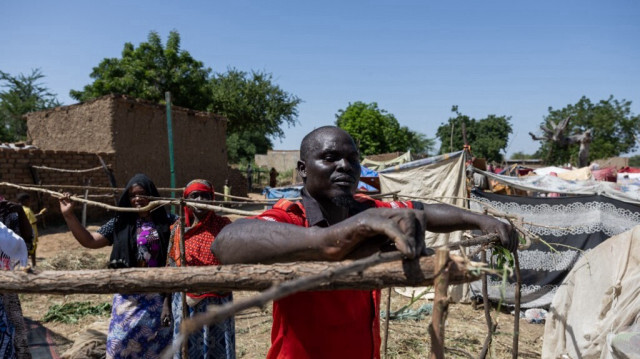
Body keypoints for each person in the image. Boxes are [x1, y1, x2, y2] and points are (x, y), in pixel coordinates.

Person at [212, 126, 518, 359]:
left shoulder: (368, 211)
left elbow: (424, 211)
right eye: (330, 158)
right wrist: (328, 241)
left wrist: (481, 220)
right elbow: (226, 242)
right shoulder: (292, 217)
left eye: (352, 159)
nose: (345, 166)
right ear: (303, 169)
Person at [59, 173, 175, 359]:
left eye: (142, 194)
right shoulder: (120, 224)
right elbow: (90, 241)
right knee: (119, 346)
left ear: (152, 195)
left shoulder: (168, 222)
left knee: (158, 349)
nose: (137, 199)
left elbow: (178, 254)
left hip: (158, 298)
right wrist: (69, 216)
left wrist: (168, 302)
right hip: (127, 297)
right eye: (132, 195)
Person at [162, 179, 235, 359]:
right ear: (186, 200)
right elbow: (170, 267)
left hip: (217, 301)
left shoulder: (224, 226)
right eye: (195, 195)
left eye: (205, 195)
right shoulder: (178, 229)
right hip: (185, 301)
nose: (200, 199)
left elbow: (234, 261)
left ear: (212, 198)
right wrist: (166, 305)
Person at [0, 198, 32, 359]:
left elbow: (27, 242)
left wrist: (20, 211)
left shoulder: (9, 211)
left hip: (6, 279)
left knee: (13, 321)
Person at [17, 192, 45, 267]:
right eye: (29, 201)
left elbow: (28, 218)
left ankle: (31, 264)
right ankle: (31, 265)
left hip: (23, 233)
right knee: (31, 250)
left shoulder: (20, 209)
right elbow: (33, 221)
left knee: (27, 249)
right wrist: (40, 216)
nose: (30, 202)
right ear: (25, 201)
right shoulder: (28, 210)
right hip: (31, 233)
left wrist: (38, 214)